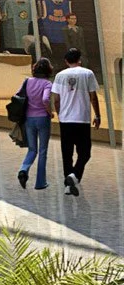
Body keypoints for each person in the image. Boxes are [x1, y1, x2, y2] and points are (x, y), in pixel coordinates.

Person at [53, 47, 105, 194]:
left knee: (67, 153)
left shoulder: (59, 76)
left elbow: (56, 100)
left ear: (65, 61)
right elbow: (93, 97)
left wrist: (60, 114)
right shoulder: (87, 73)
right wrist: (98, 115)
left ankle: (68, 185)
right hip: (82, 119)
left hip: (66, 120)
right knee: (85, 153)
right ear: (79, 60)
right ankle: (75, 176)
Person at [18, 57, 58, 191]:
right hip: (42, 119)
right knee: (42, 151)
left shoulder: (27, 81)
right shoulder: (47, 84)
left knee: (32, 149)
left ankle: (23, 169)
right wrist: (50, 112)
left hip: (29, 118)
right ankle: (40, 182)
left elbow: (18, 95)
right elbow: (45, 99)